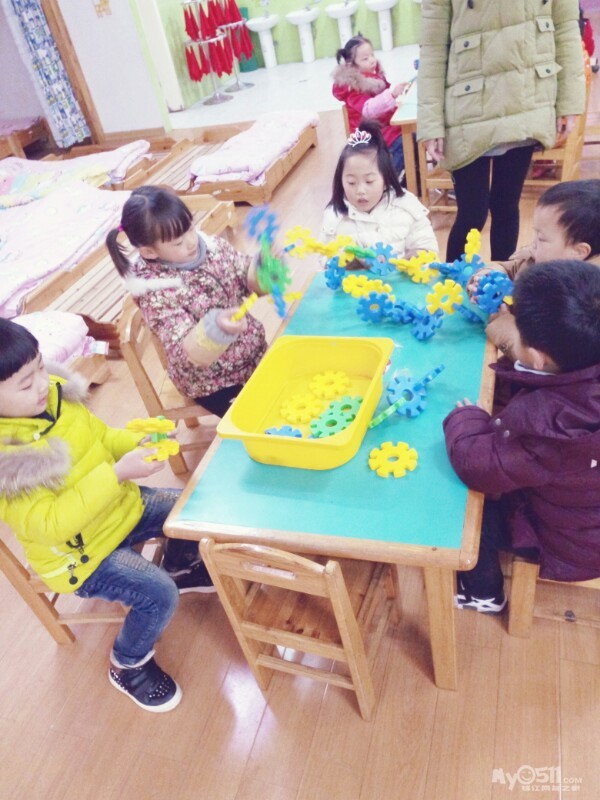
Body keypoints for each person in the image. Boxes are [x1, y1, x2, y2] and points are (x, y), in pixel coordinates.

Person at [0, 318, 215, 712]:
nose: (43, 384)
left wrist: (137, 441)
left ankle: (180, 567)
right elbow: (50, 526)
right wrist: (115, 474)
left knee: (191, 507)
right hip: (81, 556)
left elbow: (101, 438)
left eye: (41, 368)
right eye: (26, 384)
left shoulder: (57, 397)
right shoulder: (7, 460)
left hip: (118, 509)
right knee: (158, 595)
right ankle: (128, 664)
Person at [444, 259, 600, 613]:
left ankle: (483, 593)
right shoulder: (581, 365)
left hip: (570, 545)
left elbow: (478, 466)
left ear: (537, 357)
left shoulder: (552, 426)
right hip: (583, 513)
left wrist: (465, 419)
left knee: (470, 509)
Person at [417, 0, 586, 262]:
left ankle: (502, 282)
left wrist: (569, 103)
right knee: (472, 213)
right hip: (468, 108)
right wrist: (431, 122)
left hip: (526, 99)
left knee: (506, 207)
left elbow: (566, 31)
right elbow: (433, 48)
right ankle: (453, 285)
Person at [106, 186, 268, 418]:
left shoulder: (213, 247)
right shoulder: (156, 293)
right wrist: (215, 330)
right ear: (149, 252)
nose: (192, 242)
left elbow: (243, 274)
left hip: (254, 354)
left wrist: (261, 272)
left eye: (190, 228)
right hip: (214, 383)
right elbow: (186, 354)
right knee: (258, 420)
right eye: (178, 242)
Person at [470, 179, 600, 359]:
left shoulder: (577, 305)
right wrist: (486, 277)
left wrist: (500, 321)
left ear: (579, 251)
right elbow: (506, 267)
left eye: (542, 238)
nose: (533, 243)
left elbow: (535, 357)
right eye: (535, 233)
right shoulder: (539, 258)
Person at [322, 121, 439, 263]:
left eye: (369, 181)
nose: (360, 191)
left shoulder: (406, 207)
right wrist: (345, 262)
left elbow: (428, 249)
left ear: (385, 179)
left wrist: (416, 257)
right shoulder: (334, 216)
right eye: (351, 182)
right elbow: (325, 258)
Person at [332, 35, 407, 175]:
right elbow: (368, 109)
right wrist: (392, 95)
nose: (372, 60)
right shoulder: (353, 87)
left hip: (384, 127)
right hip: (369, 134)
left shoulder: (374, 77)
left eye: (372, 55)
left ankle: (412, 177)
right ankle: (386, 180)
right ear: (351, 65)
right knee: (404, 143)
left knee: (413, 136)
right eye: (365, 59)